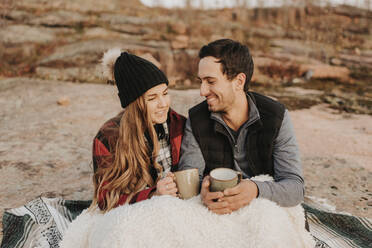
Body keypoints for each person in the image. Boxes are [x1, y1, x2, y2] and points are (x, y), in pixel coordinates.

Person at [178, 39, 304, 215]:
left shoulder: (276, 117)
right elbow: (190, 179)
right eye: (201, 81)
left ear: (239, 81)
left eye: (211, 81)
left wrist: (255, 189)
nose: (202, 91)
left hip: (263, 210)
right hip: (215, 210)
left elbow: (295, 188)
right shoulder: (197, 119)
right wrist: (202, 193)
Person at [90, 49, 186, 212]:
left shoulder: (179, 125)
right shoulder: (108, 137)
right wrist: (153, 195)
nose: (163, 103)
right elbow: (105, 199)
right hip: (136, 214)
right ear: (135, 103)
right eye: (152, 98)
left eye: (165, 93)